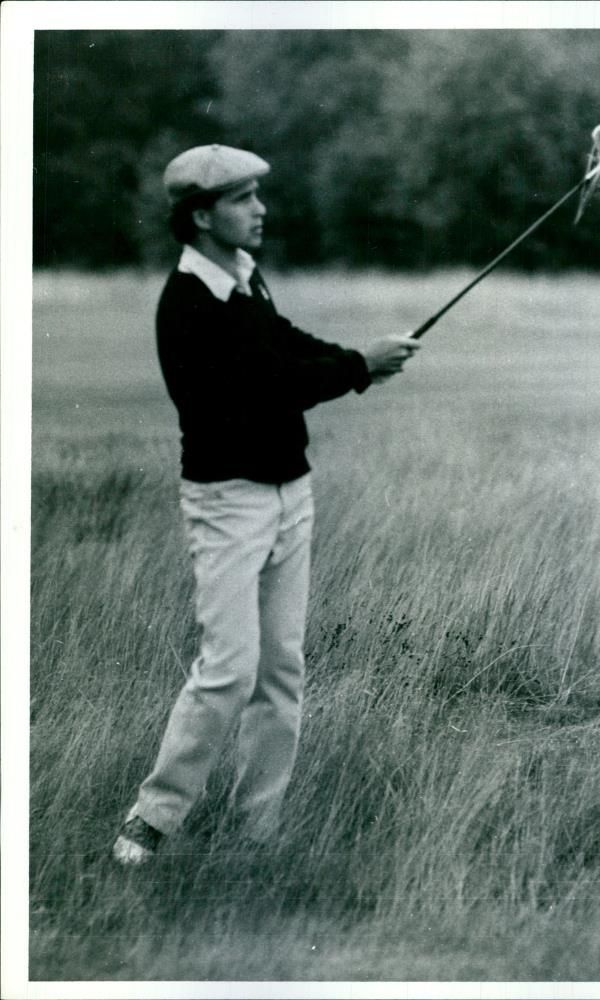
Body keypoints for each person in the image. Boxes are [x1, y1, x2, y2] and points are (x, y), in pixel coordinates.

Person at [112, 144, 420, 865]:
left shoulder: (246, 282)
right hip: (228, 504)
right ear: (200, 215)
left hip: (290, 493)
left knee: (281, 668)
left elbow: (285, 344)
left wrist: (360, 361)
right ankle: (153, 817)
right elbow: (268, 382)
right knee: (227, 669)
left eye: (257, 195)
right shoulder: (187, 305)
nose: (260, 209)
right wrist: (356, 367)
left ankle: (257, 831)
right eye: (243, 199)